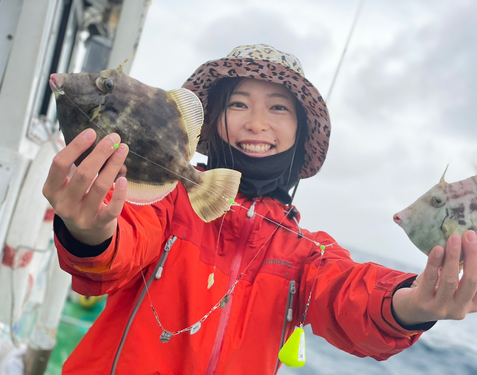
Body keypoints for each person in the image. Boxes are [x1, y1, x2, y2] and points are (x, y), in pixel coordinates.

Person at [43, 44, 477, 375]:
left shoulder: (304, 253)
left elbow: (348, 295)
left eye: (278, 107)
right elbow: (119, 250)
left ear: (300, 131)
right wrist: (89, 232)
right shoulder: (166, 199)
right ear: (212, 121)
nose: (256, 122)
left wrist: (414, 303)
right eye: (238, 103)